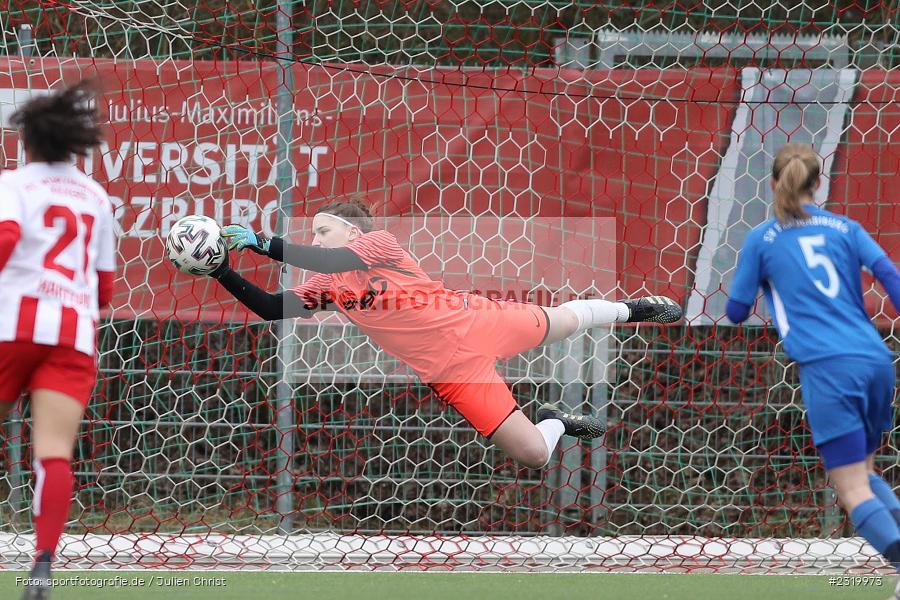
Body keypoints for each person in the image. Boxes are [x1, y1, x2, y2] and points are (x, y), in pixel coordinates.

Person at [205, 199, 681, 469]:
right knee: (535, 454)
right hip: (454, 373)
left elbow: (328, 258)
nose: (317, 237)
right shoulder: (327, 288)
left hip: (476, 320)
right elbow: (272, 308)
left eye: (323, 229)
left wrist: (265, 244)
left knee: (565, 321)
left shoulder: (378, 244)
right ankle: (558, 420)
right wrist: (224, 271)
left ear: (352, 231)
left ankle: (630, 308)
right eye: (314, 231)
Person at [727, 143, 900, 589]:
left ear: (772, 185)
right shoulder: (845, 228)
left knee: (851, 489)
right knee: (863, 471)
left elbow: (736, 311)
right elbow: (891, 276)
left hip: (829, 368)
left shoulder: (762, 238)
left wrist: (761, 282)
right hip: (875, 359)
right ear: (819, 183)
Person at [0, 81, 116, 600]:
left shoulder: (14, 185)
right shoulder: (96, 197)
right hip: (72, 334)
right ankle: (43, 564)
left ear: (26, 140)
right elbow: (105, 287)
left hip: (10, 327)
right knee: (53, 454)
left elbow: (4, 243)